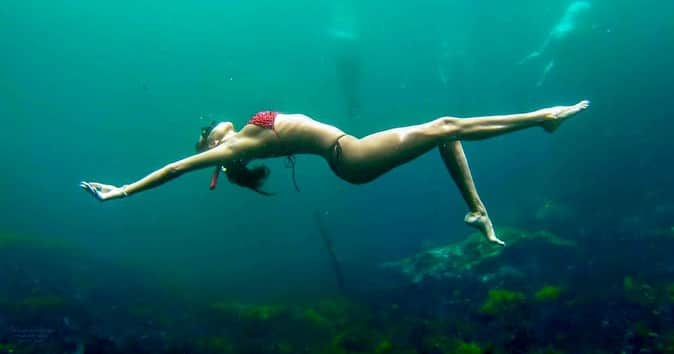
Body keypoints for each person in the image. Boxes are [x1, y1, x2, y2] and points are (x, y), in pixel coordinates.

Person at [80, 100, 590, 245]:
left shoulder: (238, 139)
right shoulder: (229, 147)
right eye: (209, 130)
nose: (214, 121)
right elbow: (174, 168)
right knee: (446, 124)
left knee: (446, 132)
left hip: (353, 151)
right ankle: (542, 119)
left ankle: (479, 212)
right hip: (353, 159)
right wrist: (122, 190)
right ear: (215, 143)